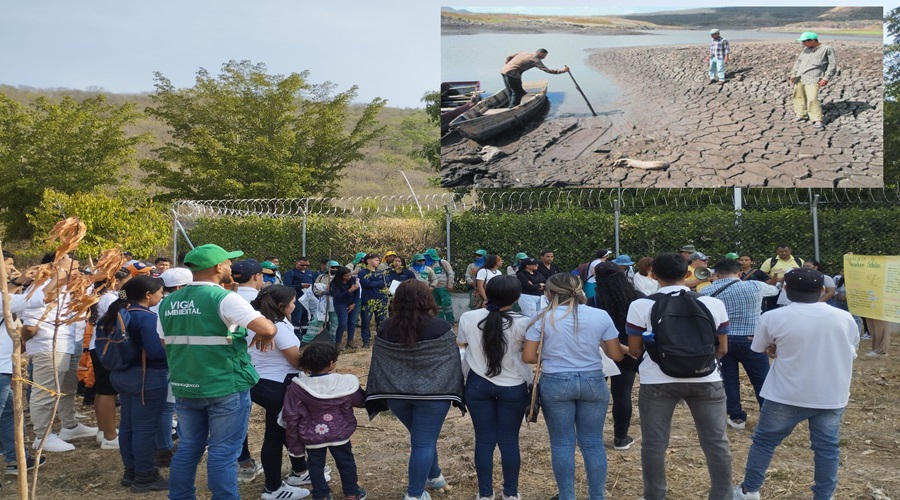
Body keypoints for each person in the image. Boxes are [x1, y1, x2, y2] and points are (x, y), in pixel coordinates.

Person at [157, 243, 277, 500]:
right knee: (223, 451)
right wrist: (265, 328)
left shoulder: (168, 302)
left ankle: (180, 496)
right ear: (218, 267)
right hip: (225, 385)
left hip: (186, 385)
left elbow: (165, 342)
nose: (232, 267)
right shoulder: (224, 298)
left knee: (189, 446)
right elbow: (266, 329)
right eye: (228, 262)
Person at [733, 268, 859, 500]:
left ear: (786, 289)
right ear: (822, 290)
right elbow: (850, 348)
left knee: (764, 442)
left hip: (784, 394)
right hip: (831, 395)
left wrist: (777, 348)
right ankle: (824, 495)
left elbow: (759, 348)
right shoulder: (844, 317)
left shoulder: (772, 317)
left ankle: (749, 490)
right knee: (826, 448)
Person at [625, 253, 732, 500]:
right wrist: (702, 364)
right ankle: (722, 495)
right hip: (707, 380)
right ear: (688, 274)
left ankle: (655, 495)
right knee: (717, 443)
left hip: (657, 381)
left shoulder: (640, 305)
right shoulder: (713, 304)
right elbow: (723, 349)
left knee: (654, 443)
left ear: (652, 275)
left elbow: (635, 351)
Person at [522, 273, 624, 500]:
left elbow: (529, 357)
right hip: (593, 381)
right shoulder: (600, 316)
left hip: (556, 382)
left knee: (562, 444)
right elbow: (616, 354)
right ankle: (597, 496)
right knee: (593, 443)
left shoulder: (542, 318)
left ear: (548, 293)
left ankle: (567, 496)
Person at [366, 280, 463, 500]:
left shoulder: (385, 327)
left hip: (396, 395)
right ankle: (414, 495)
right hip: (434, 395)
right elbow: (453, 362)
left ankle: (434, 476)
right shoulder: (441, 327)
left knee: (422, 439)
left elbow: (379, 363)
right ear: (426, 299)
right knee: (424, 442)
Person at [458, 276, 531, 500]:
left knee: (484, 439)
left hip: (478, 384)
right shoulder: (525, 322)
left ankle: (485, 494)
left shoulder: (469, 317)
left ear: (486, 293)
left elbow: (462, 344)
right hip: (514, 386)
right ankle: (510, 493)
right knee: (509, 440)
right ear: (517, 297)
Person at [22, 253, 98, 453]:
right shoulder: (42, 287)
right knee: (45, 392)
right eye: (72, 269)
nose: (77, 273)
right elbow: (30, 324)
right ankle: (42, 436)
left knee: (67, 388)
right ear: (56, 267)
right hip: (48, 347)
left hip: (67, 345)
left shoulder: (66, 288)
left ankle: (69, 426)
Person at [101, 275, 169, 492]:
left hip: (121, 375)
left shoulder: (118, 312)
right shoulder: (146, 318)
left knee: (129, 426)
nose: (162, 295)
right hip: (146, 378)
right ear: (148, 295)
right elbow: (156, 352)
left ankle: (131, 471)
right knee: (145, 428)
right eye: (160, 292)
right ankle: (145, 475)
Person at [247, 285, 311, 500]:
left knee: (283, 430)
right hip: (277, 384)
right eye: (293, 302)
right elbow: (295, 361)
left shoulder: (254, 322)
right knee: (274, 436)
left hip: (260, 381)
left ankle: (299, 470)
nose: (295, 305)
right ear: (282, 306)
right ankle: (273, 488)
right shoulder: (278, 327)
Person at [700, 259, 779, 430]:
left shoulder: (707, 291)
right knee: (761, 379)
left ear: (717, 274)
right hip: (752, 339)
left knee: (729, 379)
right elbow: (774, 290)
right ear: (738, 273)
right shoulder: (754, 286)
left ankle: (736, 418)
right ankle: (769, 418)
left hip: (722, 340)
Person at [284, 342, 366, 500]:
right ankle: (351, 493)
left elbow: (291, 415)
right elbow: (360, 401)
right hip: (340, 432)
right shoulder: (345, 382)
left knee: (315, 465)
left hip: (312, 434)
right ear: (331, 363)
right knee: (346, 462)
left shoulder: (297, 387)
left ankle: (321, 494)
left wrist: (295, 445)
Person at [588, 262, 642, 451]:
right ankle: (621, 437)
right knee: (622, 394)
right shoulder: (637, 298)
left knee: (595, 397)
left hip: (601, 353)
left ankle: (591, 437)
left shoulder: (594, 301)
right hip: (630, 352)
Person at [789, 32, 837, 130]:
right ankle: (801, 114)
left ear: (813, 40)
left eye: (804, 41)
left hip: (814, 78)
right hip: (800, 77)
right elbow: (798, 62)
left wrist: (826, 78)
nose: (803, 43)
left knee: (812, 98)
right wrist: (793, 75)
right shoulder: (806, 49)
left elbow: (832, 65)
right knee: (798, 96)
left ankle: (817, 120)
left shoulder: (826, 49)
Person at [500, 49, 569, 108]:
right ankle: (512, 108)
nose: (544, 58)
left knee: (511, 90)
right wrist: (563, 71)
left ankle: (511, 104)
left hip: (503, 70)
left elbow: (508, 57)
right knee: (517, 92)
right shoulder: (535, 60)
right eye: (544, 56)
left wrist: (508, 66)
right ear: (540, 53)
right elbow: (547, 70)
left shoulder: (524, 52)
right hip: (513, 74)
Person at [358, 253, 389, 348]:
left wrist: (373, 283)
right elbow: (366, 284)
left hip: (381, 300)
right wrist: (378, 283)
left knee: (381, 321)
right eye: (375, 260)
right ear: (368, 261)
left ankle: (382, 340)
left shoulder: (381, 272)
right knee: (366, 321)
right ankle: (366, 340)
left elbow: (386, 282)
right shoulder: (363, 272)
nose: (378, 262)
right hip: (368, 300)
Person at [282, 257, 317, 338]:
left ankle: (306, 334)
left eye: (307, 265)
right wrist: (300, 286)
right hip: (297, 298)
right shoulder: (291, 273)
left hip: (307, 298)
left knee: (306, 317)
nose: (304, 267)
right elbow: (287, 286)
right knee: (297, 317)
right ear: (297, 263)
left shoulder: (309, 272)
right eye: (302, 265)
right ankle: (296, 335)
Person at [330, 267, 360, 349]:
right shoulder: (335, 284)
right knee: (343, 322)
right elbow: (338, 296)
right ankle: (338, 343)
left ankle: (350, 341)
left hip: (352, 302)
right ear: (341, 276)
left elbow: (357, 293)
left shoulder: (353, 280)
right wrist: (350, 290)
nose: (348, 277)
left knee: (352, 322)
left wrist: (354, 303)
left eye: (349, 275)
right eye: (346, 276)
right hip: (340, 303)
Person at [424, 248, 455, 323]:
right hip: (432, 287)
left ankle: (450, 321)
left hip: (443, 287)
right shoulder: (425, 265)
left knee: (446, 304)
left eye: (428, 255)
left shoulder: (442, 262)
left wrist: (450, 284)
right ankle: (440, 321)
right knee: (436, 305)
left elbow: (451, 273)